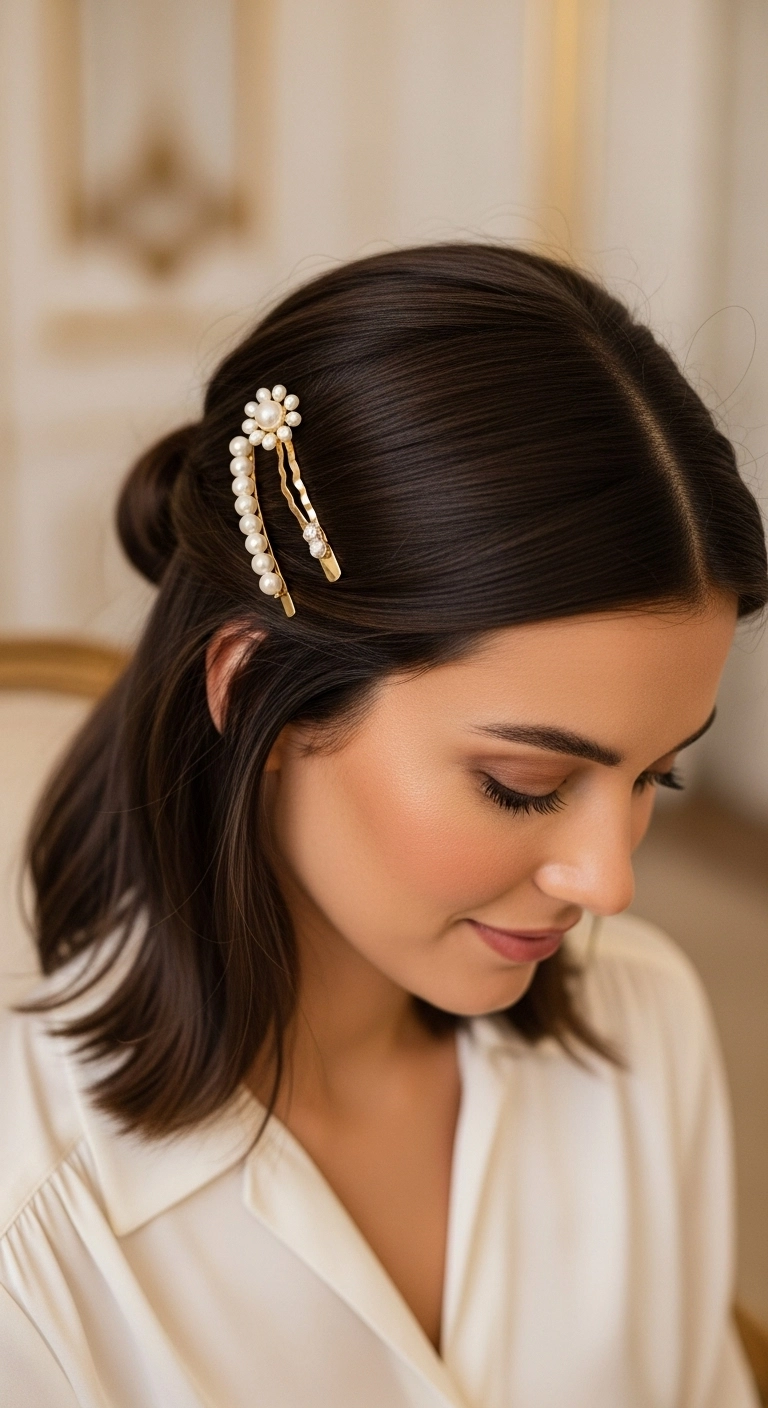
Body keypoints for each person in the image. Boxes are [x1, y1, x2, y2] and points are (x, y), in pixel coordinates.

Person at [1, 245, 766, 1408]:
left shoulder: (643, 1028)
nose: (609, 881)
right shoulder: (30, 1212)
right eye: (523, 781)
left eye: (658, 776)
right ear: (254, 688)